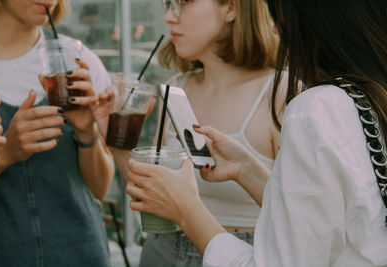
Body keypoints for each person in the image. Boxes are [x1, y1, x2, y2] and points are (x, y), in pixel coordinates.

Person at [126, 0, 387, 266]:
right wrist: (247, 170)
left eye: (281, 13)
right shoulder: (364, 101)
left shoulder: (313, 108)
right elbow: (326, 218)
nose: (276, 29)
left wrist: (188, 211)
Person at [133, 0, 281, 266]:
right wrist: (113, 137)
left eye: (182, 3)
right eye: (168, 5)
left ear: (230, 9)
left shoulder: (280, 93)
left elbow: (304, 218)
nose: (168, 17)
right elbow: (149, 193)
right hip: (160, 251)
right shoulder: (176, 87)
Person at [0, 0, 115, 266]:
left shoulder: (77, 59)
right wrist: (5, 153)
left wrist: (86, 131)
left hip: (82, 254)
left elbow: (100, 188)